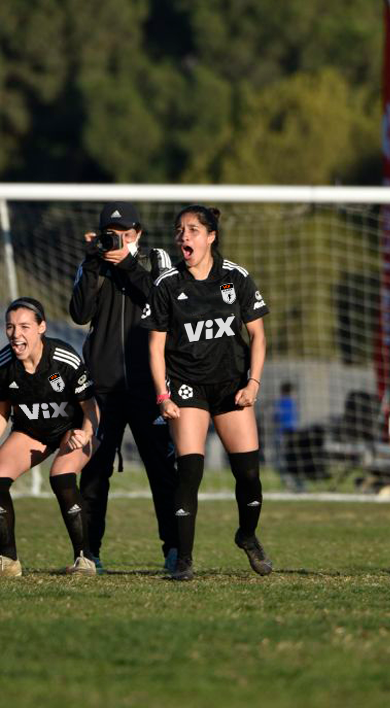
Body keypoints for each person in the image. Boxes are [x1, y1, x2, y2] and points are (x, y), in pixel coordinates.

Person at [143, 204, 272, 581]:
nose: (184, 236)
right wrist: (162, 396)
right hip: (186, 386)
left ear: (211, 236)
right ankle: (183, 560)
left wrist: (253, 383)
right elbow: (155, 347)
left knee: (248, 473)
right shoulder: (166, 284)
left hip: (232, 387)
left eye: (193, 230)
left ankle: (247, 535)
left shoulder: (236, 278)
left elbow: (259, 336)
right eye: (179, 230)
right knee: (190, 471)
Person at [69, 201, 179, 573]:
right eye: (114, 234)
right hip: (103, 387)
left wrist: (128, 264)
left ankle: (174, 549)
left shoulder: (154, 260)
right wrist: (93, 265)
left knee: (162, 472)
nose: (121, 240)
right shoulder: (93, 263)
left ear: (139, 235)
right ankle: (88, 552)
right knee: (95, 471)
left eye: (128, 234)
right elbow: (80, 314)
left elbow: (162, 304)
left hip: (149, 387)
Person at [0, 297, 100, 576]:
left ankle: (85, 559)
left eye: (24, 327)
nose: (16, 335)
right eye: (10, 327)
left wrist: (86, 433)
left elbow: (90, 406)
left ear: (41, 327)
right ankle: (8, 561)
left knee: (61, 476)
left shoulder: (64, 358)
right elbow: (1, 413)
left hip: (73, 428)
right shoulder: (1, 367)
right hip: (31, 431)